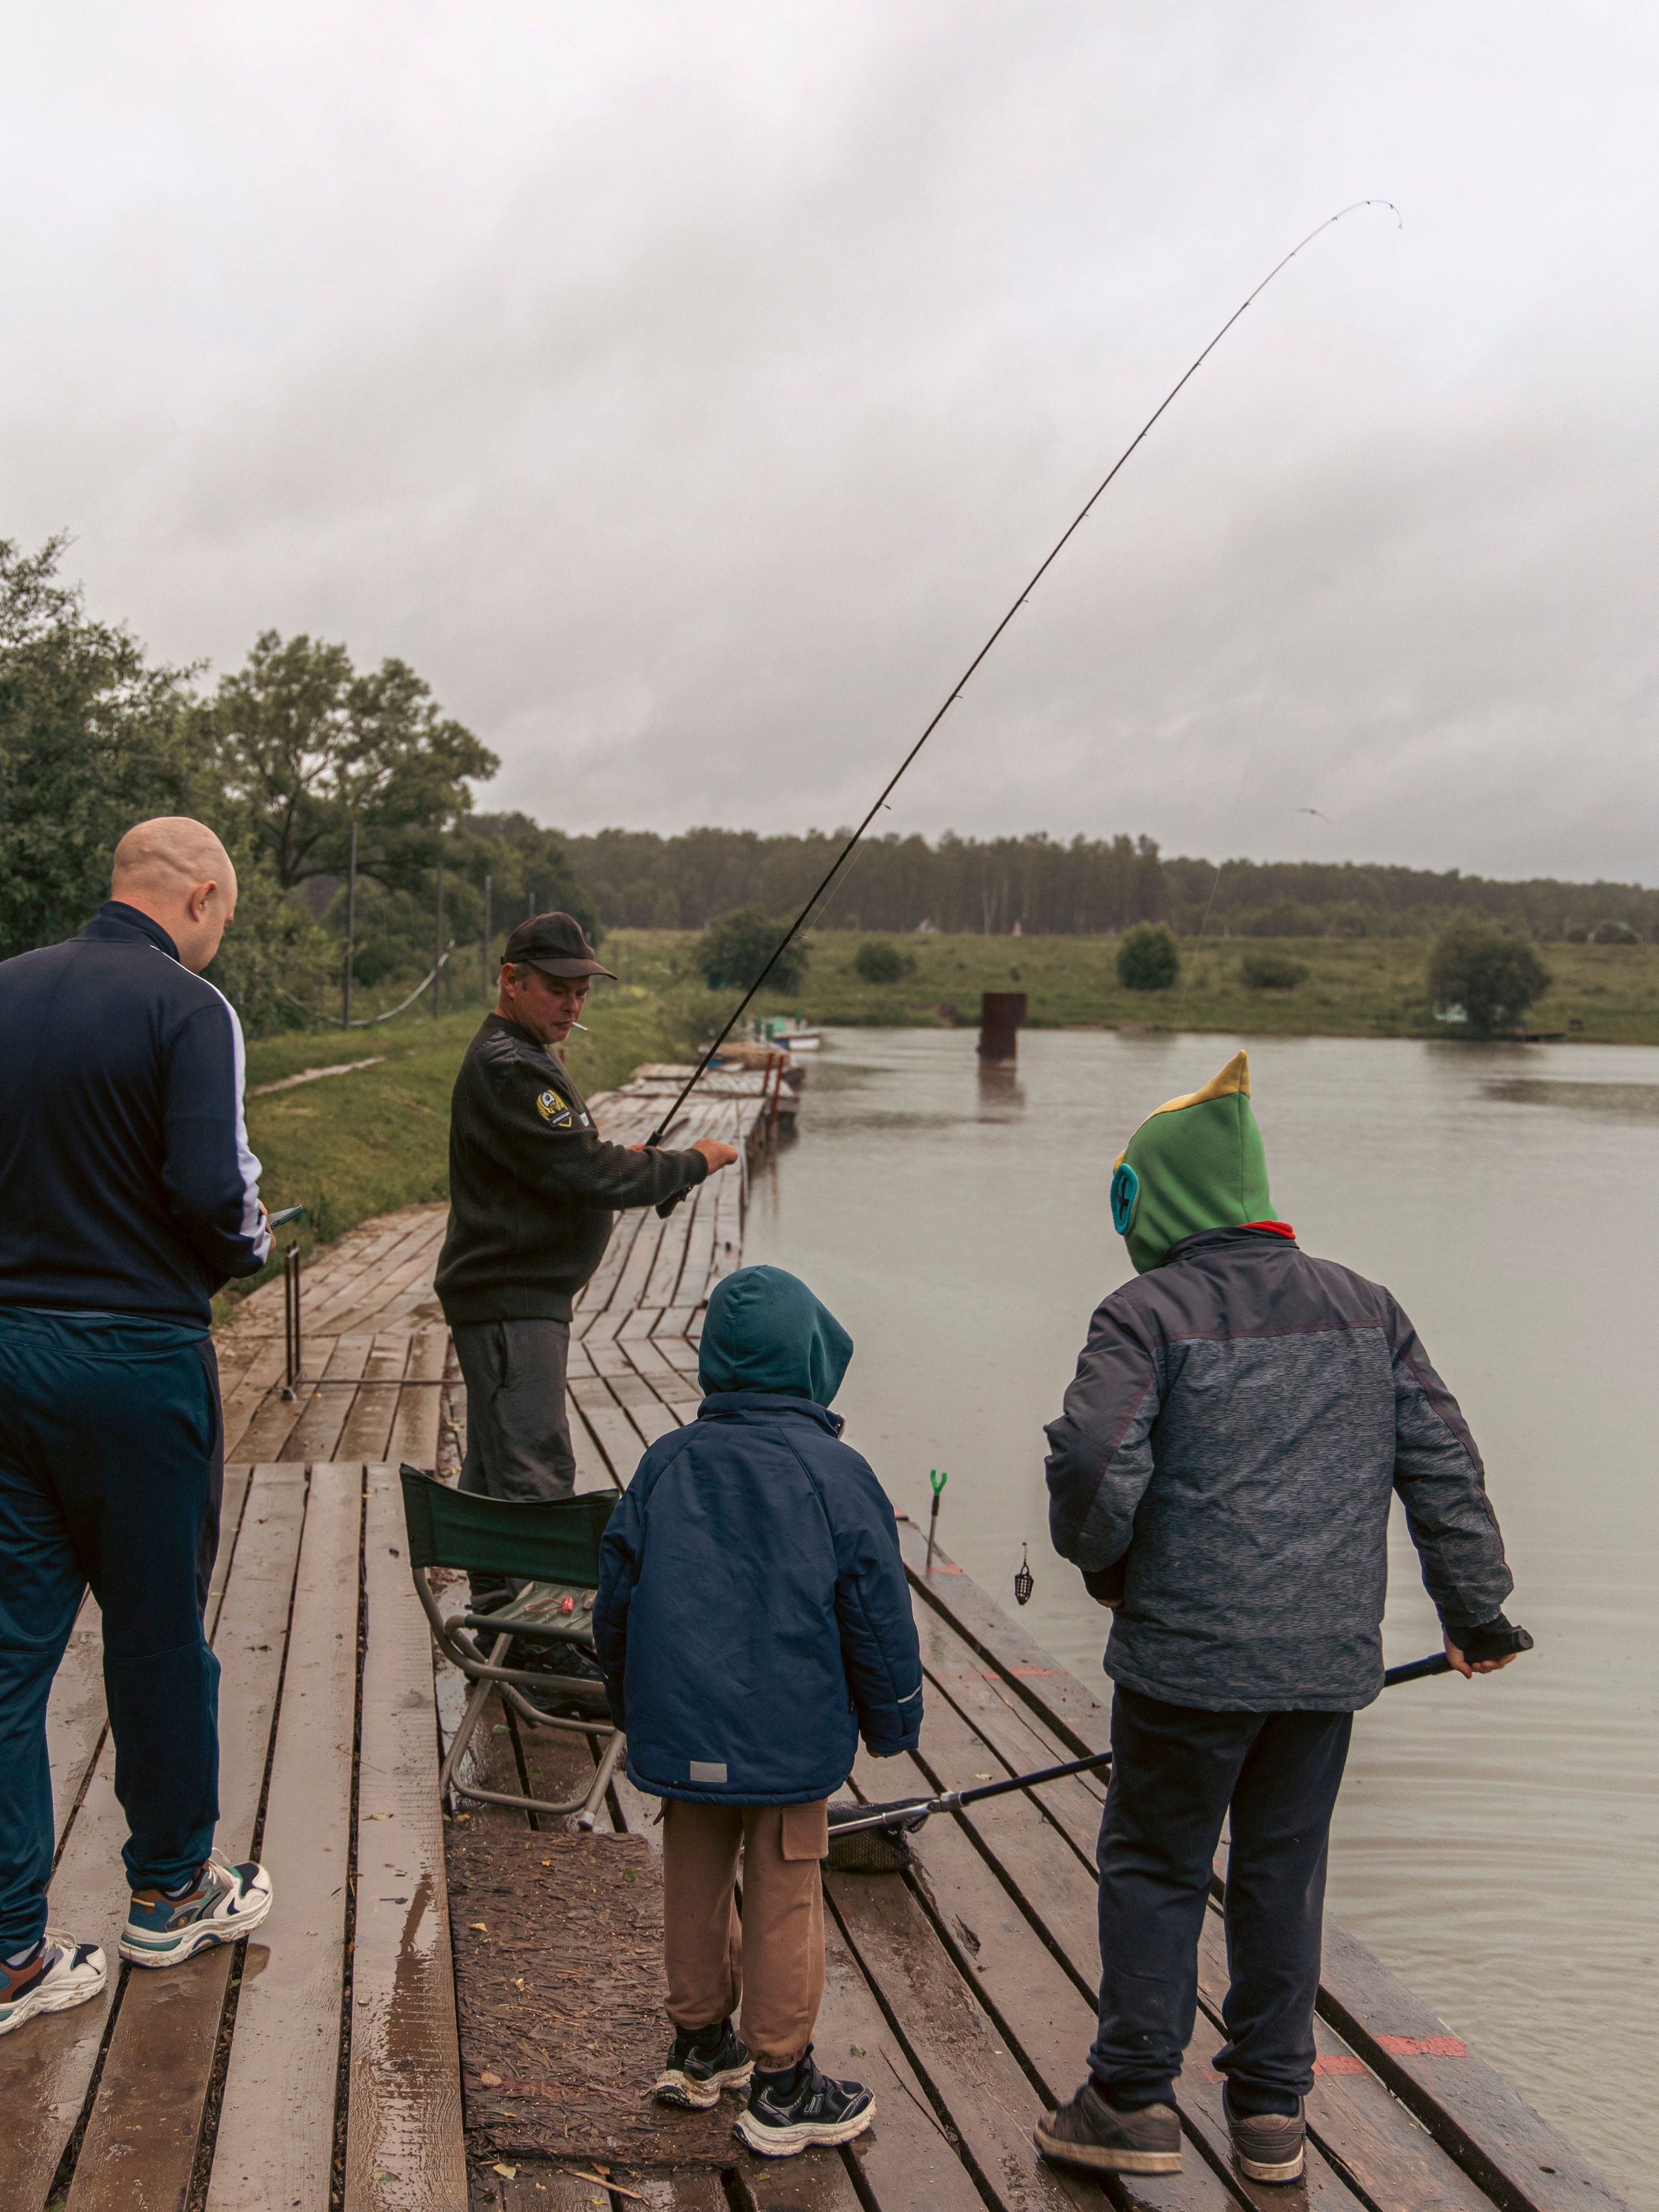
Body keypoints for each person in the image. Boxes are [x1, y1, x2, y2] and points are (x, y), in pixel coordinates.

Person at [1034, 1051, 1520, 2185]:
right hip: (1321, 1668)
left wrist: (1106, 1571)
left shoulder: (1144, 1311)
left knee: (1156, 1862)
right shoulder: (1369, 1307)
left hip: (1184, 1664)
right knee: (1282, 1872)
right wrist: (1478, 1613)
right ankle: (1270, 2115)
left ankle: (1131, 2096)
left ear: (1154, 1194)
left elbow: (1092, 1462)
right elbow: (1444, 1464)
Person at [0, 819, 277, 2041]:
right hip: (134, 1357)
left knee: (8, 1656)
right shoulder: (189, 1008)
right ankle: (170, 1890)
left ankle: (10, 1949)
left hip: (6, 1354)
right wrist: (242, 1254)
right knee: (157, 1639)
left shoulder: (7, 986)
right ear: (202, 895)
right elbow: (217, 1188)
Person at [592, 1264, 923, 2156]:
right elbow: (876, 1612)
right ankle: (782, 2083)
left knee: (693, 1879)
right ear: (811, 1358)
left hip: (682, 1731)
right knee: (784, 1892)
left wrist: (629, 1704)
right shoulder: (836, 1471)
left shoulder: (664, 1462)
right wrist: (893, 1718)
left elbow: (614, 1599)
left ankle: (700, 2045)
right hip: (789, 1734)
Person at [434, 911, 737, 1696]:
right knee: (535, 1467)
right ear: (511, 980)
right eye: (557, 988)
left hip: (514, 1298)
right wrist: (690, 1162)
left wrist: (628, 1163)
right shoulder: (512, 1066)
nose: (572, 1003)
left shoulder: (523, 1056)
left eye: (581, 991)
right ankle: (540, 1643)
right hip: (512, 1301)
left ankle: (500, 1619)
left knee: (495, 1466)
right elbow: (589, 1172)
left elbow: (567, 1163)